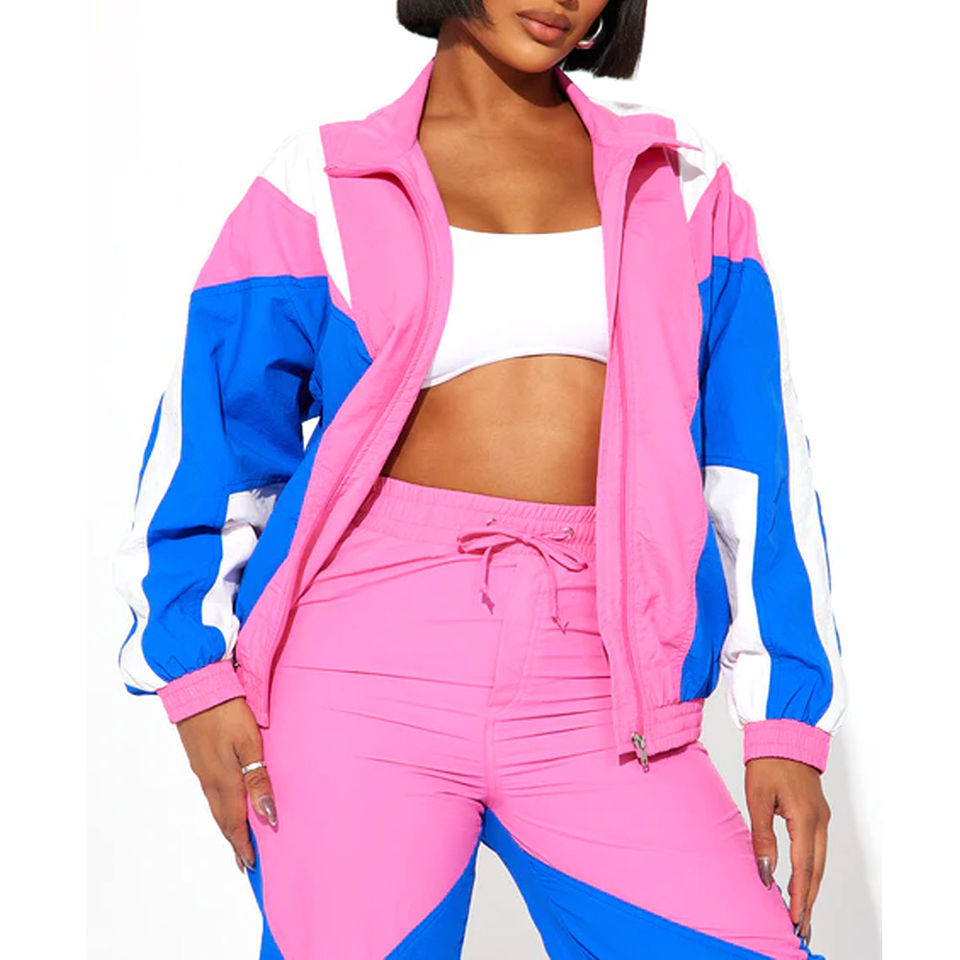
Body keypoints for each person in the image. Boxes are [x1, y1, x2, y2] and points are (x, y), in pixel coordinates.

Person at [111, 2, 847, 957]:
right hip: (359, 667)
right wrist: (196, 674)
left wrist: (784, 721)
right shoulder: (325, 180)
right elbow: (218, 435)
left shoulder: (676, 179)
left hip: (604, 679)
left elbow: (755, 456)